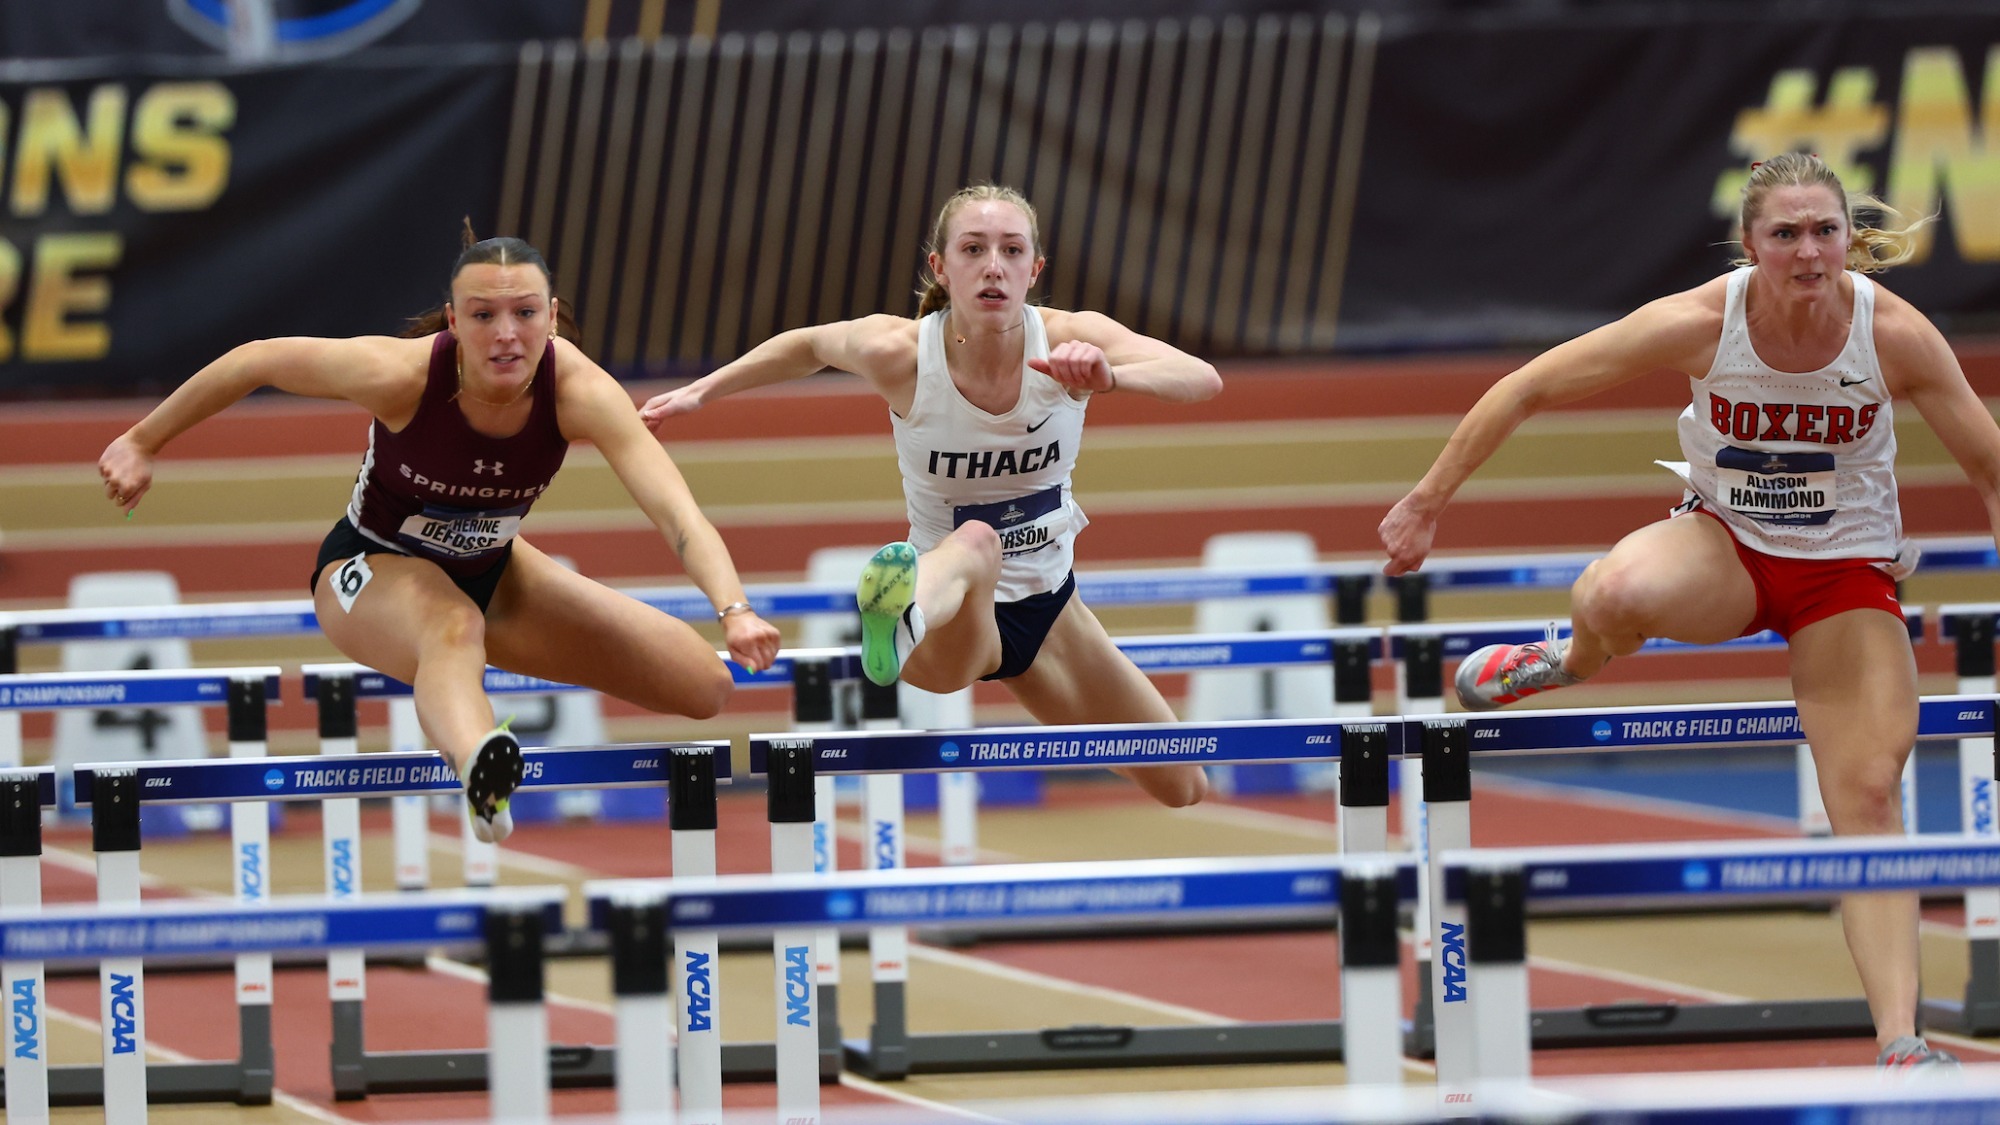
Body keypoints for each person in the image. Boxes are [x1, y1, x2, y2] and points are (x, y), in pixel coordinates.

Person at [1379, 152, 2000, 1067]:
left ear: (1848, 242)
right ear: (1749, 246)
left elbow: (1989, 466)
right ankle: (1563, 661)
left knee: (1869, 795)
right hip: (1727, 548)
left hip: (1846, 578)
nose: (1807, 253)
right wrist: (1426, 501)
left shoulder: (1895, 334)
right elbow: (1529, 385)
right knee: (1614, 591)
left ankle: (1902, 1041)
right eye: (1784, 235)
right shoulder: (1703, 321)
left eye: (1824, 231)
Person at [98, 231, 782, 843]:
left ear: (550, 314)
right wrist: (141, 439)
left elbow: (677, 513)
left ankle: (469, 720)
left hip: (495, 570)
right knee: (451, 626)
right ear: (455, 321)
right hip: (368, 569)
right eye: (484, 316)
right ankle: (481, 764)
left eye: (524, 313)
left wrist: (734, 608)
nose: (506, 335)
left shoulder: (578, 390)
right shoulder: (400, 375)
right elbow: (257, 359)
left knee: (702, 685)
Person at [641, 184, 1221, 807]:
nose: (993, 265)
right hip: (947, 618)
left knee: (1182, 783)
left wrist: (1113, 377)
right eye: (973, 249)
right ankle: (895, 613)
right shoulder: (901, 352)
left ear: (1034, 270)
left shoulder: (1071, 338)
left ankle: (920, 600)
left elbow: (1201, 378)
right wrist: (703, 391)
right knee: (975, 541)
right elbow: (807, 346)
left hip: (1049, 606)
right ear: (941, 268)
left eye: (1011, 250)